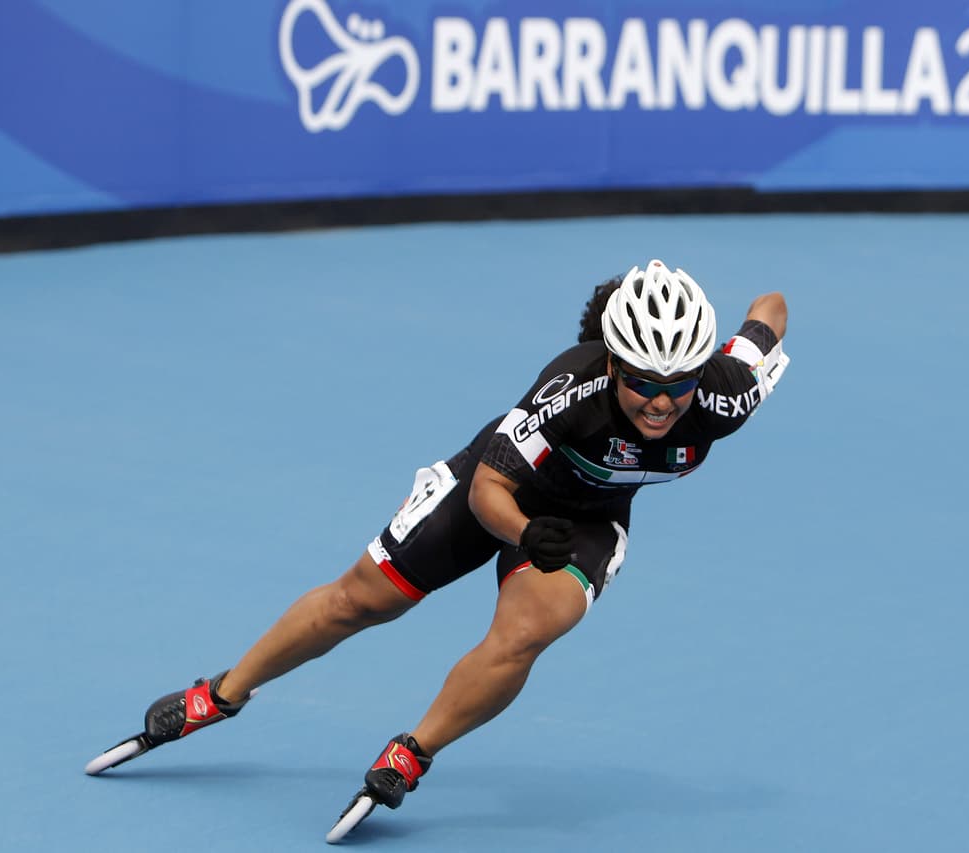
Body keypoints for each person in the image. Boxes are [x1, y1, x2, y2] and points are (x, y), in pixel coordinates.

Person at [91, 259, 789, 837]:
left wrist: (755, 321)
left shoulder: (725, 396)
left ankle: (411, 752)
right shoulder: (571, 386)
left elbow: (771, 310)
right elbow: (490, 487)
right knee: (359, 600)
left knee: (526, 632)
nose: (662, 402)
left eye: (678, 383)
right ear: (613, 363)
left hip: (590, 517)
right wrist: (521, 531)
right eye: (642, 381)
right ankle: (220, 694)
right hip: (500, 492)